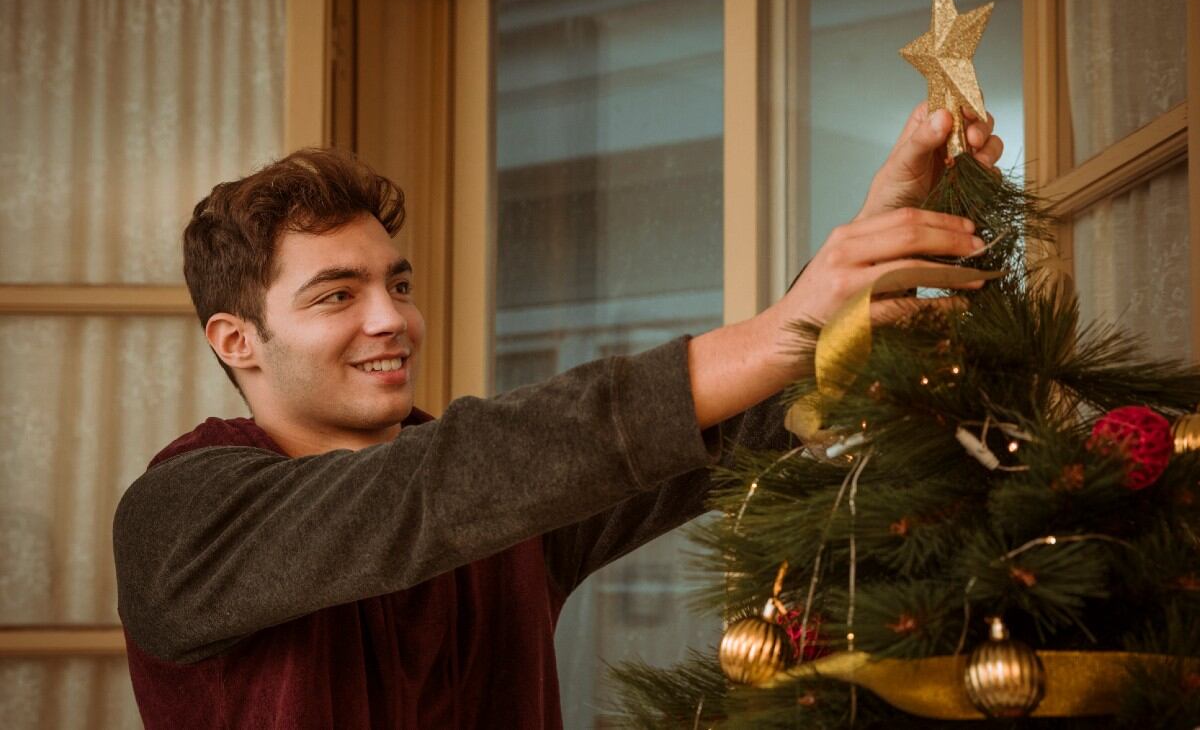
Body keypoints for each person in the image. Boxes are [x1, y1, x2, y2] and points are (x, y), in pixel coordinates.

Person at [113, 104, 1002, 728]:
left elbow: (726, 427)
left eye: (398, 284)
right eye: (336, 294)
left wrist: (881, 255)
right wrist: (776, 331)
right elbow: (434, 488)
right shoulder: (180, 521)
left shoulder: (508, 503)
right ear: (237, 340)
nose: (391, 319)